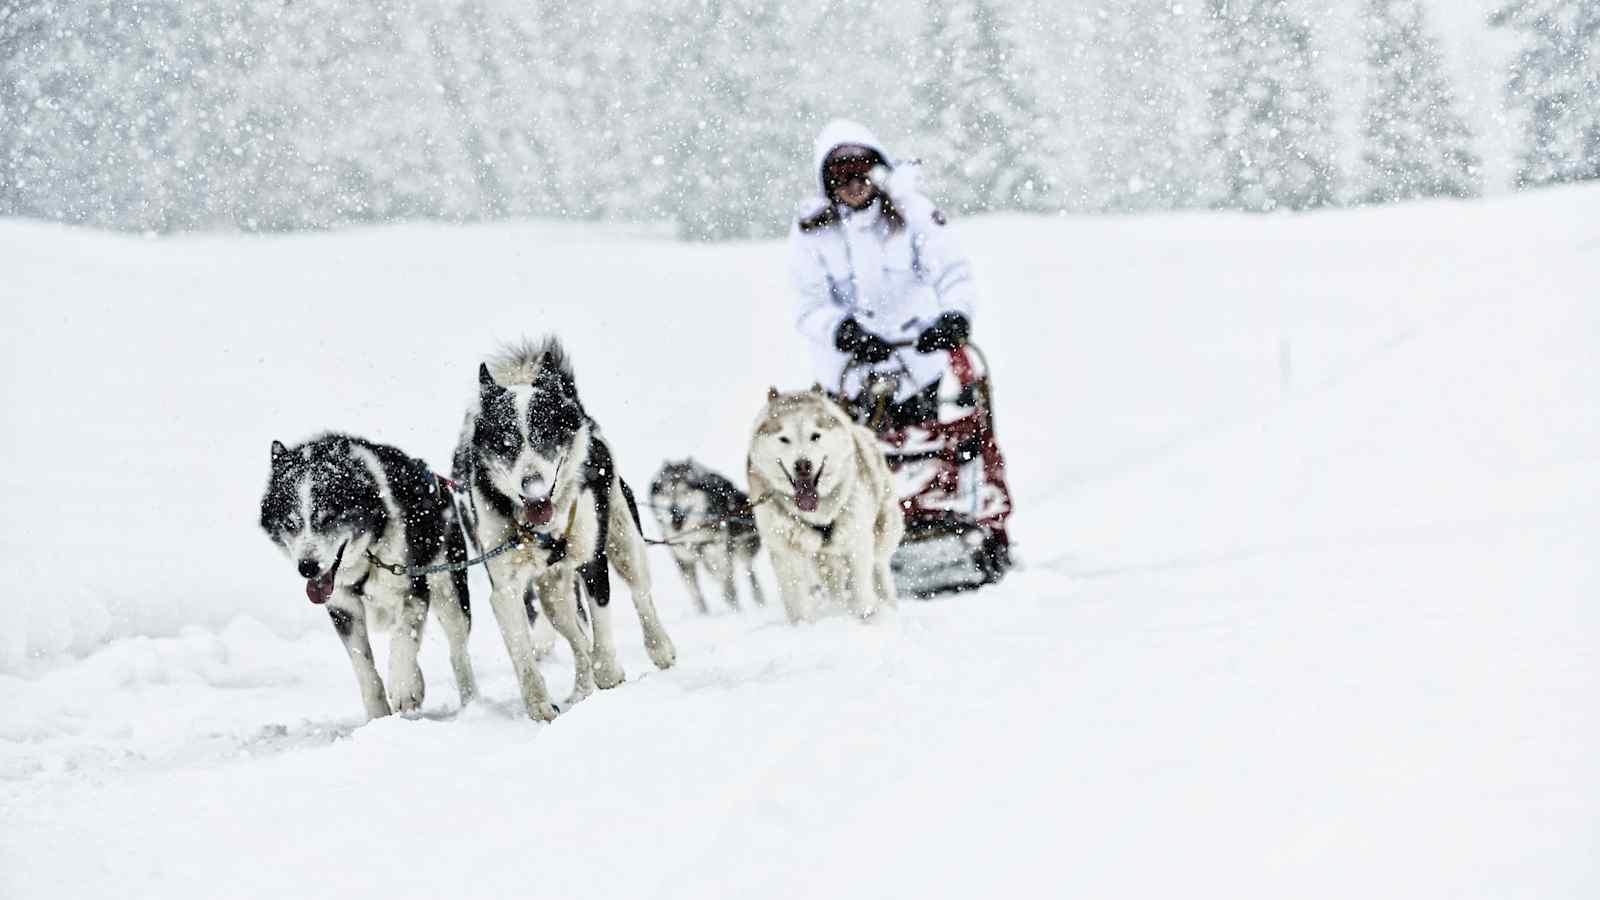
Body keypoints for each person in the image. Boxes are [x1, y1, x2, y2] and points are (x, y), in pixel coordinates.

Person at [788, 119, 1014, 580]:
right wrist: (843, 332)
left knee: (940, 446)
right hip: (851, 374)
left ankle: (947, 524)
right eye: (841, 177)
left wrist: (952, 317)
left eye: (862, 173)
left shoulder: (913, 215)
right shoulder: (813, 232)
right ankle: (865, 546)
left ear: (879, 172)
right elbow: (807, 304)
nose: (853, 186)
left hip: (918, 359)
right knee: (860, 458)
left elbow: (953, 273)